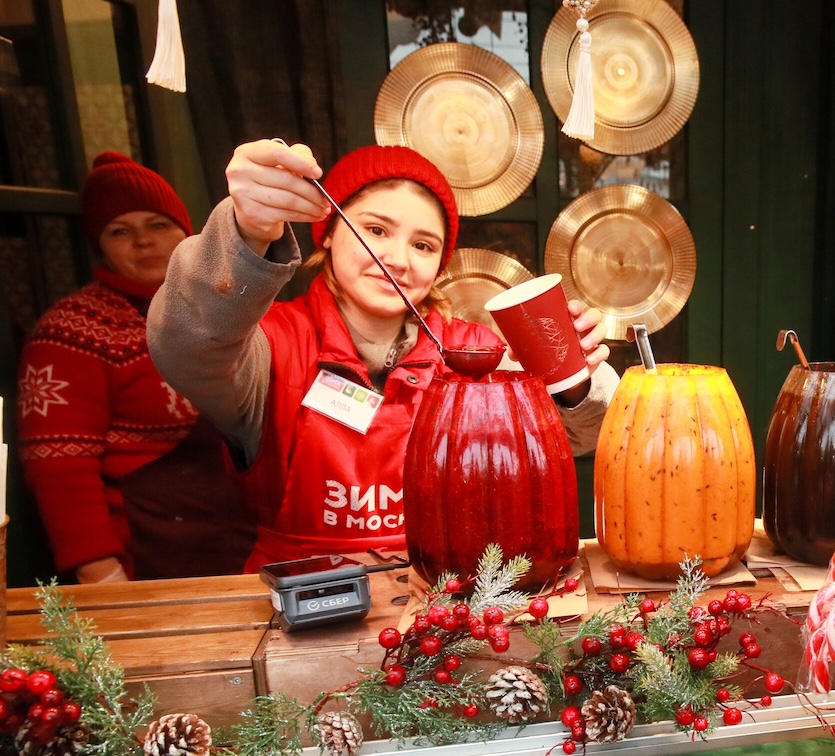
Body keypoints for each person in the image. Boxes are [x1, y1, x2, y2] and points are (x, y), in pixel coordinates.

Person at [148, 140, 618, 569]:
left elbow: (580, 435)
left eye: (422, 244)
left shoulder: (476, 351)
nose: (398, 258)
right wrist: (246, 231)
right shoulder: (268, 343)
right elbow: (188, 344)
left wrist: (572, 378)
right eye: (375, 229)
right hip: (303, 605)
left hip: (452, 603)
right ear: (328, 232)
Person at [18, 152, 256, 582]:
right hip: (151, 555)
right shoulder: (73, 330)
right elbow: (59, 469)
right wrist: (102, 576)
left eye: (157, 224)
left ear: (188, 232)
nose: (143, 241)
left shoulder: (230, 303)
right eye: (120, 231)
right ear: (101, 246)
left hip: (244, 540)